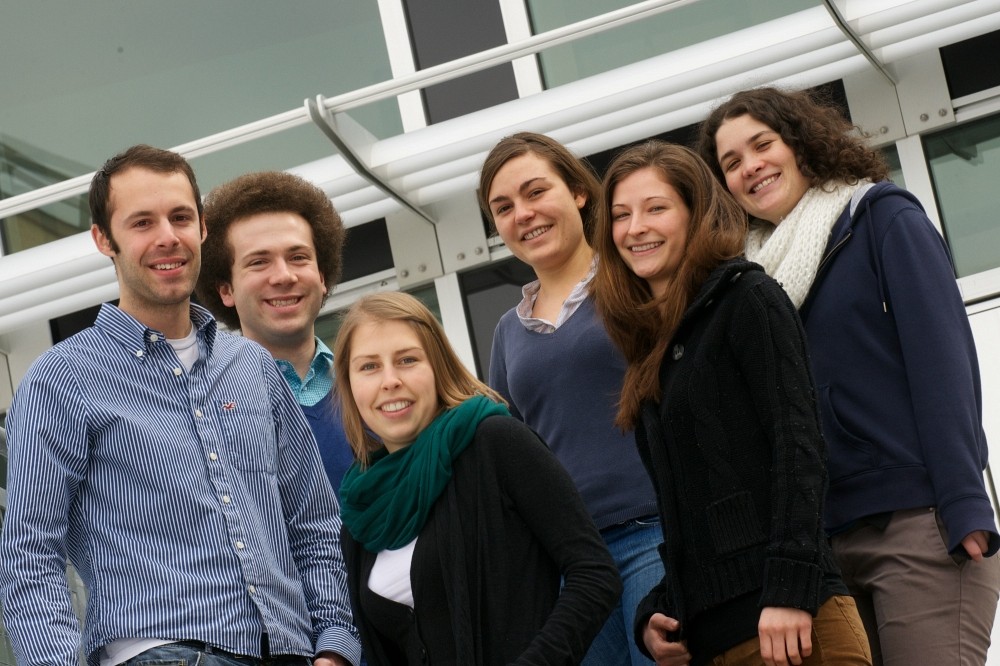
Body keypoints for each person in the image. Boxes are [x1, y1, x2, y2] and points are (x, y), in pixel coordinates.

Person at [0, 145, 362, 666]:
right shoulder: (61, 381)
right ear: (104, 239)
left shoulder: (253, 367)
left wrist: (333, 647)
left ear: (202, 228)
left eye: (180, 217)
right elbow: (29, 558)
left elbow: (313, 524)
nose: (167, 237)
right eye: (142, 222)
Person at [699, 86, 1000, 665]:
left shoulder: (881, 216)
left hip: (917, 527)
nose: (750, 167)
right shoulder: (747, 282)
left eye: (762, 144)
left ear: (801, 143)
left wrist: (965, 506)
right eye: (731, 163)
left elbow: (944, 366)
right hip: (822, 554)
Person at [592, 140, 872, 666]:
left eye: (656, 208)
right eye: (621, 216)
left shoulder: (748, 299)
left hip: (792, 623)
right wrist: (658, 610)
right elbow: (685, 508)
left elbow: (800, 449)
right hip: (713, 638)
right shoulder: (651, 351)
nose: (635, 228)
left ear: (696, 215)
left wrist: (790, 588)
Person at [333, 291, 621, 665]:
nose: (390, 380)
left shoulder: (494, 442)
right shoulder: (361, 506)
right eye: (369, 366)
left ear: (438, 366)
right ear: (349, 383)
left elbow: (594, 574)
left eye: (407, 360)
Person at [479, 131, 664, 666]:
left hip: (655, 535)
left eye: (537, 192)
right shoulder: (507, 335)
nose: (524, 214)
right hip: (574, 565)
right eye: (504, 207)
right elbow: (513, 460)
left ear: (579, 192)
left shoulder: (634, 280)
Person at [196, 170, 354, 493]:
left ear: (322, 277)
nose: (283, 276)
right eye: (259, 262)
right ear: (226, 290)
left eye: (298, 257)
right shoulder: (205, 414)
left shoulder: (372, 385)